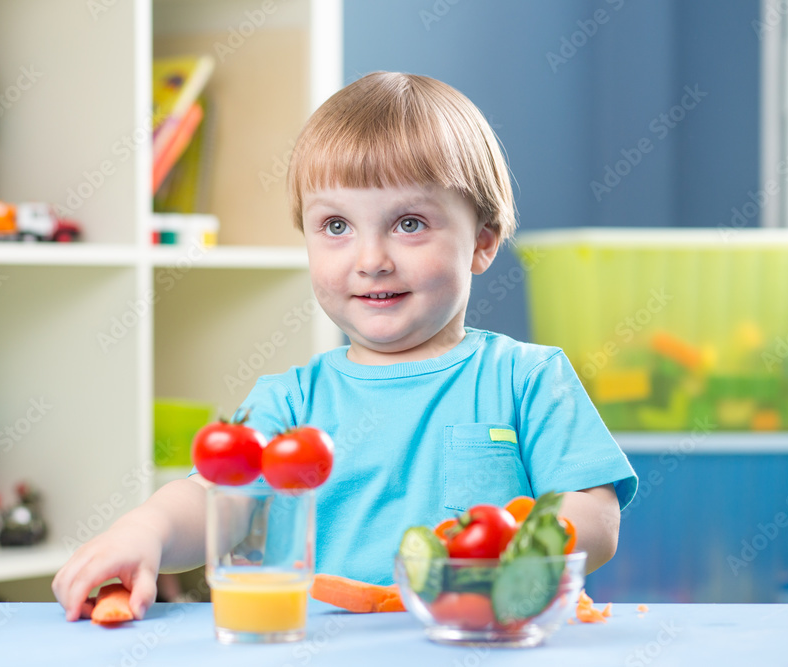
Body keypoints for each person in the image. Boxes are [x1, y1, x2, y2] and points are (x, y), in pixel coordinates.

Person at [52, 71, 638, 622]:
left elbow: (595, 517)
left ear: (483, 242)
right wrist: (143, 532)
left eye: (409, 223)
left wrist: (511, 545)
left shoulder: (529, 378)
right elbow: (210, 502)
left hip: (483, 639)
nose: (371, 260)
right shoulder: (288, 402)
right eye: (336, 226)